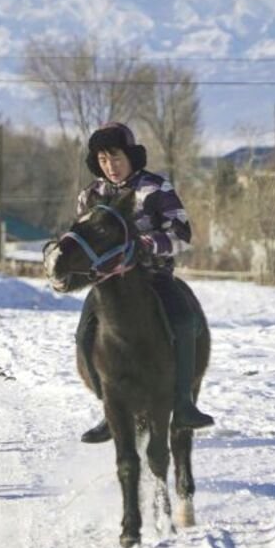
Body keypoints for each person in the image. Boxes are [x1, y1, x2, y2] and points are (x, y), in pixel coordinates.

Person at [76, 122, 214, 443]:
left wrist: (147, 245)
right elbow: (83, 242)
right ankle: (111, 411)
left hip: (154, 278)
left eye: (116, 158)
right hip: (110, 288)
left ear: (132, 156)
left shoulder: (156, 189)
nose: (110, 166)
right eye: (103, 160)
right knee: (84, 334)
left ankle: (182, 403)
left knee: (184, 321)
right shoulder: (90, 196)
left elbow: (182, 235)